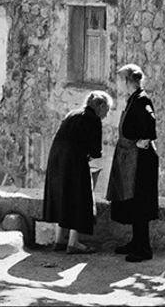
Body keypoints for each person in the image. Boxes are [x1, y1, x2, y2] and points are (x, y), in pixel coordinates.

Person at [43, 90, 113, 254]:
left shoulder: (72, 114)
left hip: (56, 159)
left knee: (63, 196)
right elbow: (96, 151)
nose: (106, 114)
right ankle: (73, 243)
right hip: (74, 161)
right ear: (100, 106)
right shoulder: (93, 119)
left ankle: (60, 240)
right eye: (106, 110)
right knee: (79, 198)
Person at [106, 63, 159, 262]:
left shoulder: (142, 99)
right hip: (133, 159)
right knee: (134, 202)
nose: (120, 84)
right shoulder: (134, 99)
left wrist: (141, 143)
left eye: (122, 80)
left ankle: (144, 248)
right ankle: (136, 242)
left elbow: (149, 127)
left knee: (140, 204)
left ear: (129, 81)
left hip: (141, 161)